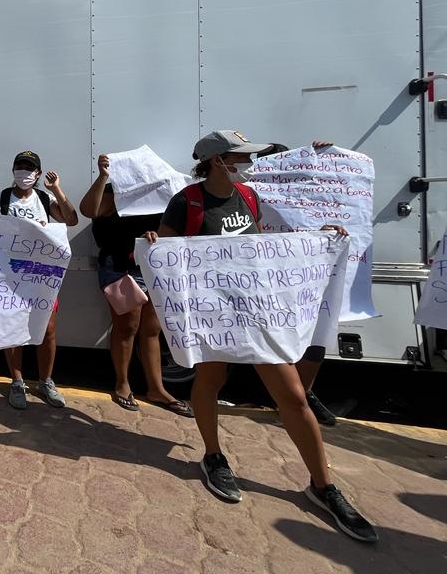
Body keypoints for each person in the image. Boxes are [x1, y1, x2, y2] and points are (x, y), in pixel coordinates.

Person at [144, 130, 377, 543]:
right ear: (218, 161)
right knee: (210, 382)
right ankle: (213, 457)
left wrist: (318, 239)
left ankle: (322, 486)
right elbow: (168, 251)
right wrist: (155, 244)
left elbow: (261, 247)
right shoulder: (188, 201)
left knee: (292, 395)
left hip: (255, 311)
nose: (247, 164)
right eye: (240, 157)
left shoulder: (248, 196)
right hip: (214, 314)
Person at [78, 153, 192, 417]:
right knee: (127, 326)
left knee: (151, 329)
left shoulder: (164, 195)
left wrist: (156, 236)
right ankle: (122, 384)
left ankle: (156, 388)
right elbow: (88, 210)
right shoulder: (112, 193)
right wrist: (103, 176)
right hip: (119, 267)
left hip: (151, 268)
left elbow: (170, 231)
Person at [257, 141, 338, 427]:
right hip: (269, 280)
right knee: (281, 344)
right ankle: (295, 400)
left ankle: (304, 392)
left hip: (304, 277)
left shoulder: (305, 193)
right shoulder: (251, 192)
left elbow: (312, 223)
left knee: (316, 341)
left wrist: (326, 232)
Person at [0, 150, 78, 409]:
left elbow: (71, 219)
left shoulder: (45, 197)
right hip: (12, 276)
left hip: (43, 277)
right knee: (13, 330)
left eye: (29, 168)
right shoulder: (3, 198)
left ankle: (45, 381)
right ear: (13, 170)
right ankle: (17, 381)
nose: (24, 172)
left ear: (38, 174)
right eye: (20, 166)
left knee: (48, 330)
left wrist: (58, 189)